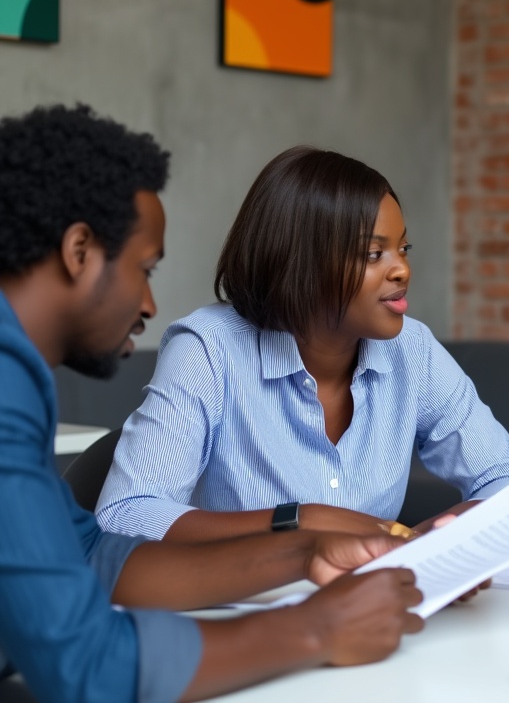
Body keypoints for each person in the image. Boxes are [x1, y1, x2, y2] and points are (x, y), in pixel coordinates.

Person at [0, 104, 425, 703]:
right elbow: (87, 668)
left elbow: (95, 557)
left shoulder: (20, 378)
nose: (149, 304)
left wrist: (305, 551)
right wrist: (315, 629)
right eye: (145, 269)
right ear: (78, 251)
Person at [96, 144, 509, 544]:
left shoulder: (412, 349)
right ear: (298, 262)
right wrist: (299, 519)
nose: (402, 270)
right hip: (245, 615)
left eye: (403, 248)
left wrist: (443, 538)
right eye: (373, 254)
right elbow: (125, 515)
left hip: (374, 609)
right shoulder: (209, 350)